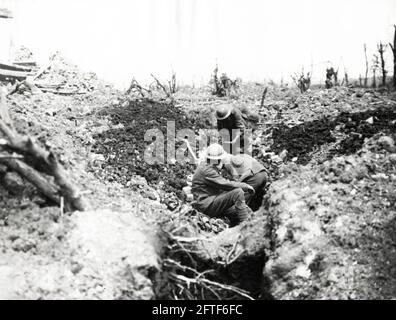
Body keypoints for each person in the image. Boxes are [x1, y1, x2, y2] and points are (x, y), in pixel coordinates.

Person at [191, 143, 255, 224]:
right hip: (206, 205)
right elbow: (225, 185)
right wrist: (244, 186)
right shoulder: (207, 170)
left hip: (210, 202)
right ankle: (246, 224)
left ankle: (250, 223)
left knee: (246, 211)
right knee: (238, 192)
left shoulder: (207, 167)